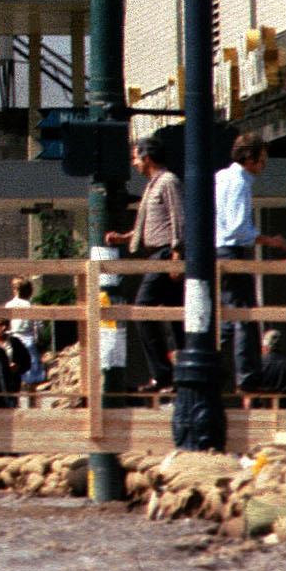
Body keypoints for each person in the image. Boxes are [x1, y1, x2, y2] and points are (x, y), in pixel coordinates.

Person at [104, 136, 183, 390]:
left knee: (142, 309)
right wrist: (124, 237)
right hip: (157, 255)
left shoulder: (168, 181)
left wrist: (176, 254)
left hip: (165, 256)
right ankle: (180, 374)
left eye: (135, 157)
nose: (134, 163)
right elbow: (151, 224)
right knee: (176, 316)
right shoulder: (152, 185)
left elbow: (178, 218)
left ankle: (164, 373)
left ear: (146, 157)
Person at [216, 133, 286, 391]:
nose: (264, 165)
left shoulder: (220, 177)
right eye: (262, 160)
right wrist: (269, 240)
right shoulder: (239, 183)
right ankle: (248, 378)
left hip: (217, 252)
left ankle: (211, 365)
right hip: (231, 252)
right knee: (245, 314)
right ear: (250, 158)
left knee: (227, 317)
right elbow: (237, 228)